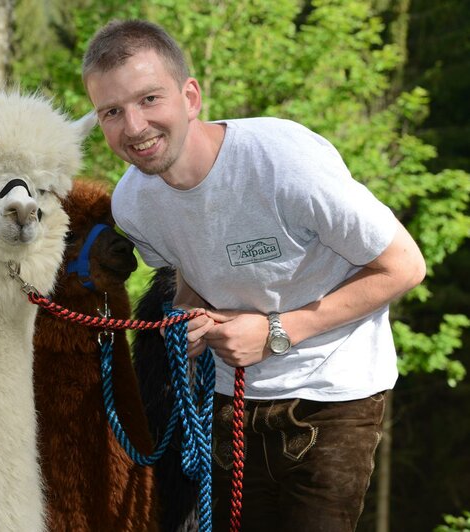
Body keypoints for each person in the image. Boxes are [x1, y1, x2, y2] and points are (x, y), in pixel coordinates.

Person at [82, 19, 426, 531]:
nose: (134, 127)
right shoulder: (134, 203)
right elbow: (191, 273)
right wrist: (188, 315)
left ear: (191, 96)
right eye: (112, 111)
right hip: (227, 399)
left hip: (331, 397)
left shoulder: (283, 164)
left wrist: (275, 333)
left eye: (149, 99)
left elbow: (404, 266)